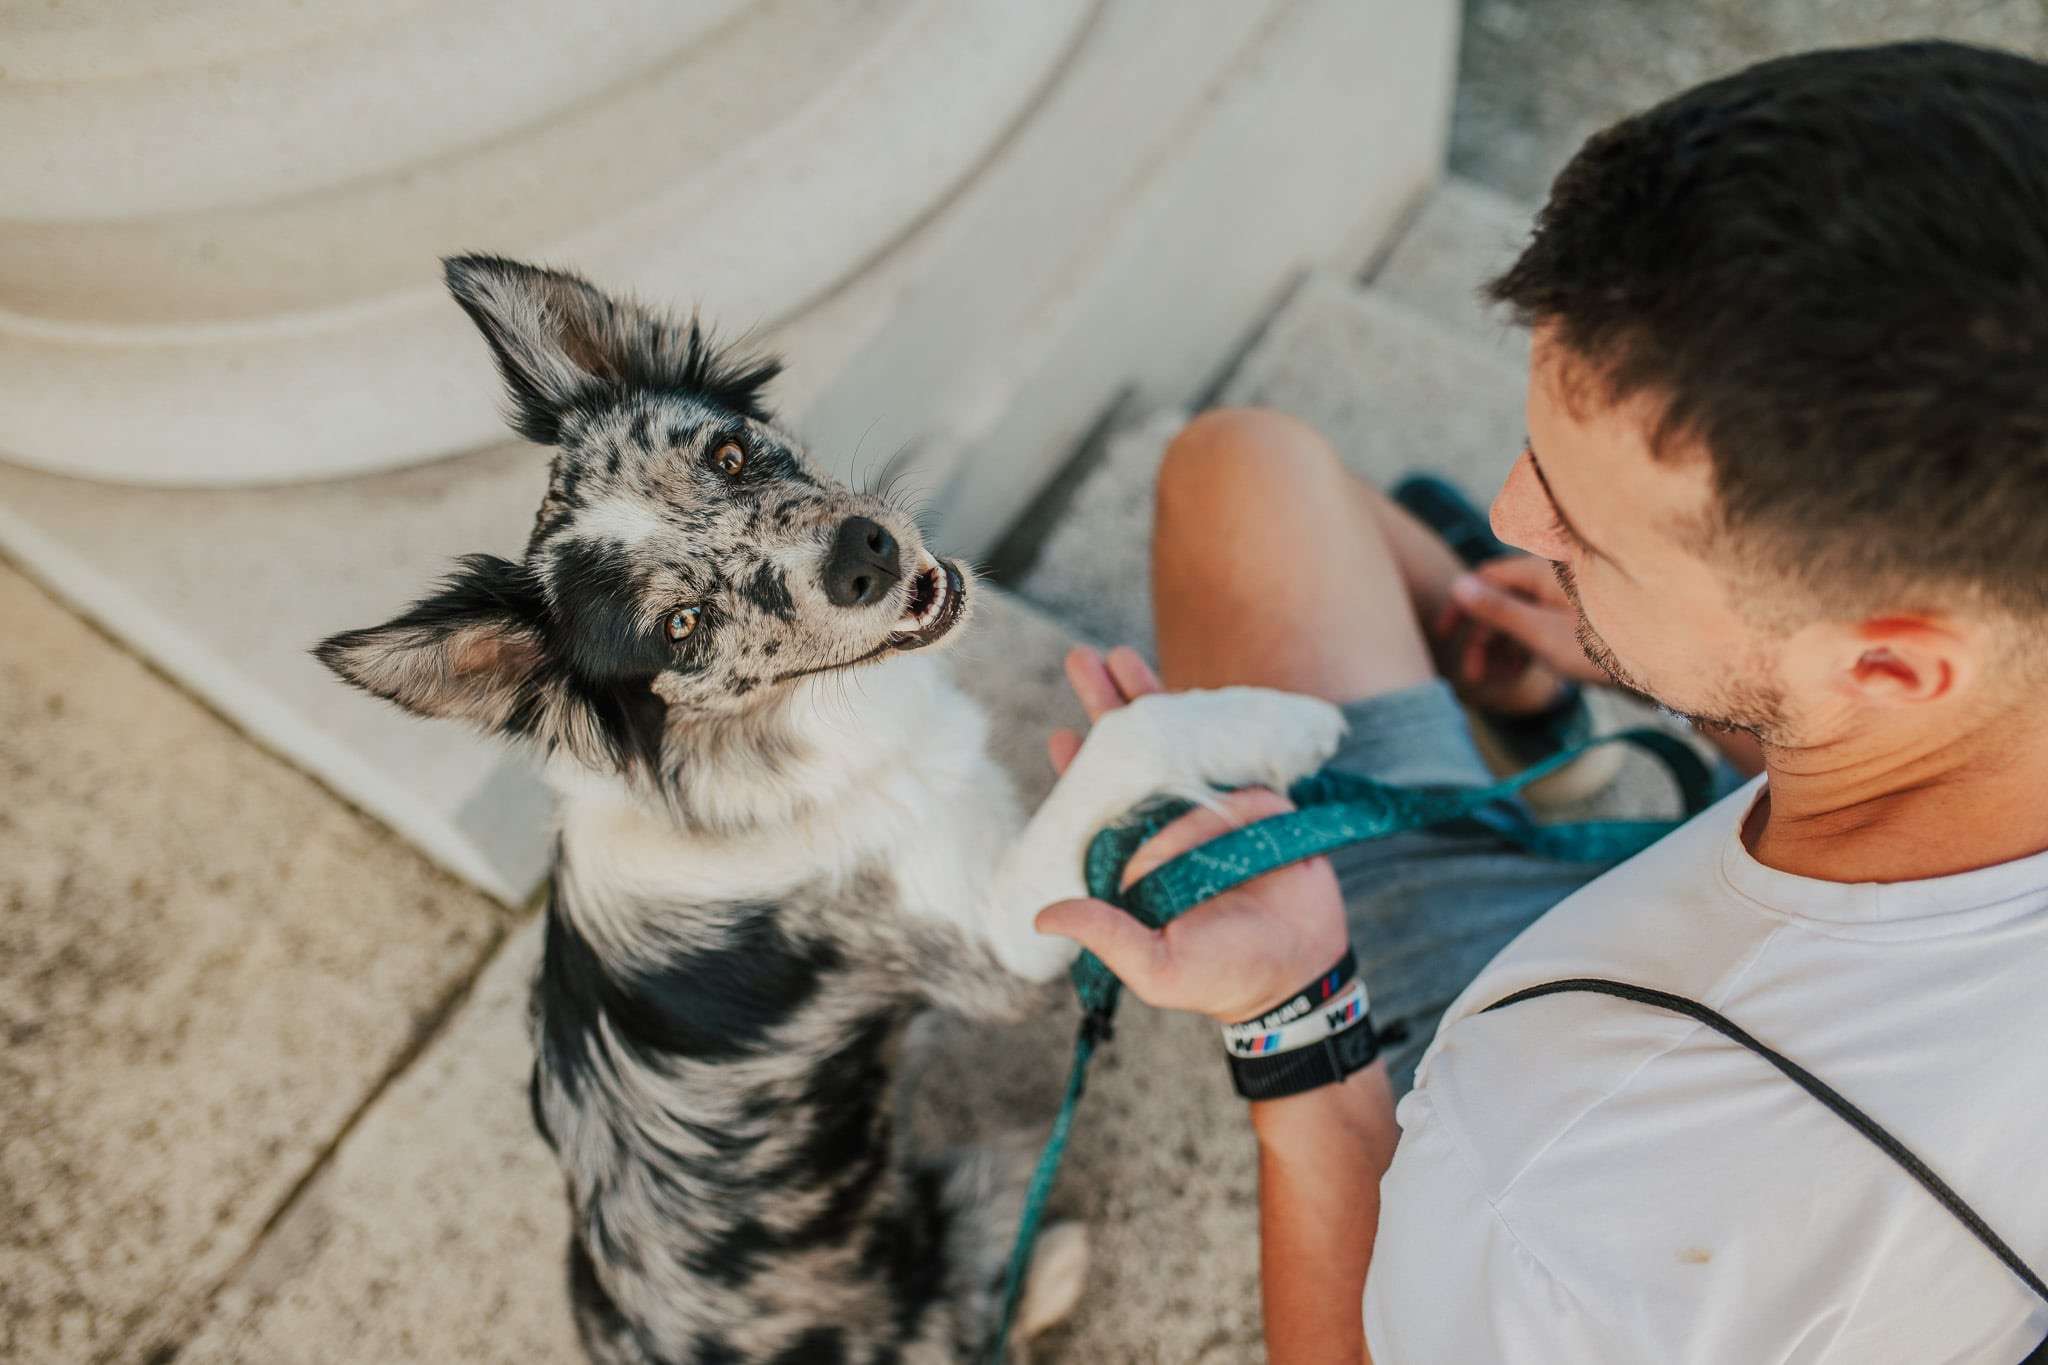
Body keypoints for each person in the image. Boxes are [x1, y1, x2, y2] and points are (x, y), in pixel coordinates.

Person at [1032, 41, 2048, 1363]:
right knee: (1254, 476)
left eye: (1589, 528)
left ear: (1891, 665)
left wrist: (1298, 1023)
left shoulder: (1569, 1151)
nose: (1515, 512)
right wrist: (1722, 690)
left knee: (1241, 477)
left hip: (1644, 1087)